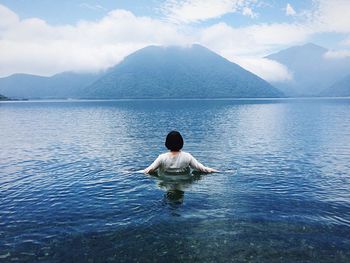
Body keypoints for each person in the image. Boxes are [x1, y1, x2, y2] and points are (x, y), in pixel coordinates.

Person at [144, 131, 218, 175]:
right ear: (181, 143)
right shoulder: (187, 156)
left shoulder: (162, 158)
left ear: (167, 143)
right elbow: (202, 169)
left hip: (166, 182)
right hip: (184, 181)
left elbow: (148, 170)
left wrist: (134, 172)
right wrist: (219, 171)